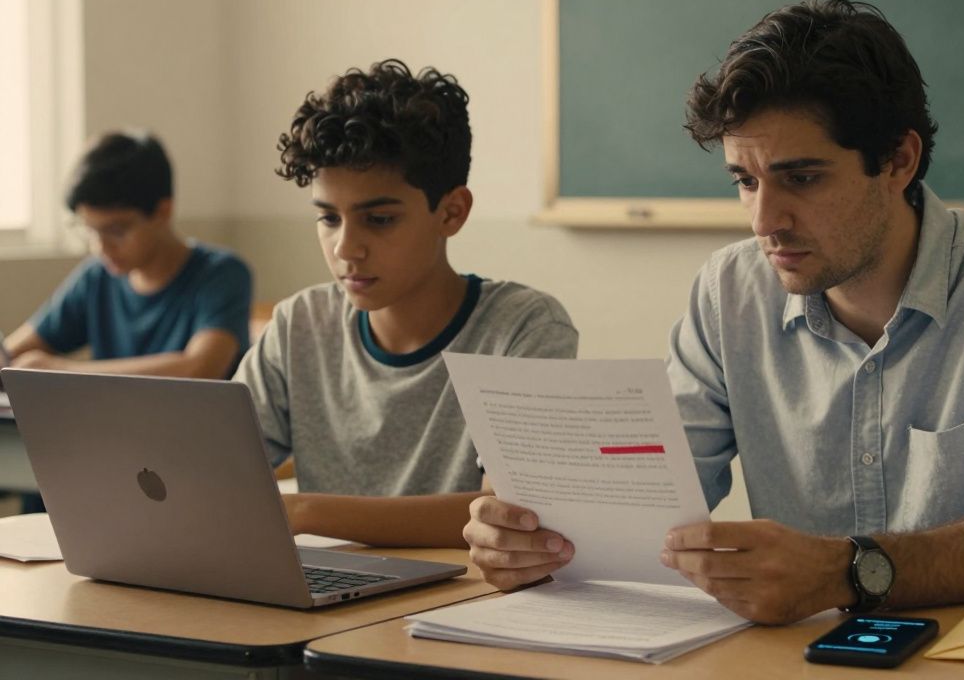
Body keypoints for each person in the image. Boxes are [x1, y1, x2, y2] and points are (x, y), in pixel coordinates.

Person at [463, 0, 964, 624]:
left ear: (898, 160)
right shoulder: (729, 292)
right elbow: (648, 506)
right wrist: (535, 541)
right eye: (745, 182)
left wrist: (847, 573)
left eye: (801, 178)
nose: (765, 221)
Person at [236, 59, 578, 547]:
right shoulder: (298, 325)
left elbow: (509, 517)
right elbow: (214, 478)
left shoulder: (522, 327)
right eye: (329, 219)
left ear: (452, 211)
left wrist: (306, 510)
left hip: (464, 603)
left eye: (378, 220)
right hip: (327, 606)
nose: (345, 248)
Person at [3, 131, 252, 380]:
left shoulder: (222, 274)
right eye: (89, 230)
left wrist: (61, 371)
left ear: (163, 212)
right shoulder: (96, 277)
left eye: (116, 230)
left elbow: (201, 368)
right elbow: (12, 355)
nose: (100, 247)